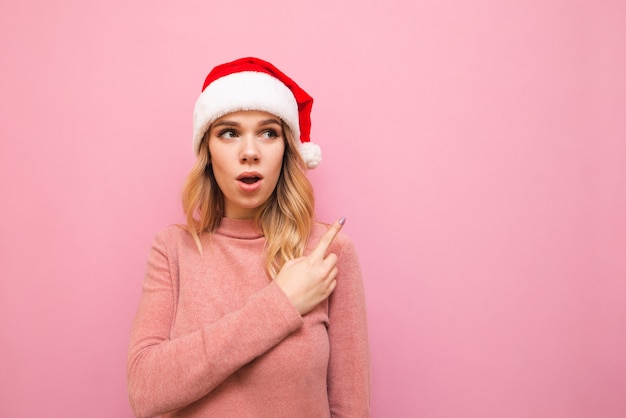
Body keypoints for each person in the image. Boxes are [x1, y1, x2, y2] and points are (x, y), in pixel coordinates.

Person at [127, 57, 370, 417]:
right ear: (207, 150)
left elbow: (350, 408)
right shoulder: (173, 250)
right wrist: (282, 302)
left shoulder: (328, 253)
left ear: (287, 148)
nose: (250, 152)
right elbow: (146, 392)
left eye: (269, 132)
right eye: (229, 132)